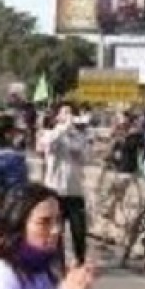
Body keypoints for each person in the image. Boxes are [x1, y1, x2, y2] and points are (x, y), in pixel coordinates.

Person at [38, 107, 92, 264]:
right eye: (64, 112)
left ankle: (80, 260)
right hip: (55, 190)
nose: (68, 116)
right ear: (58, 116)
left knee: (79, 230)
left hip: (75, 191)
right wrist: (63, 127)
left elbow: (86, 157)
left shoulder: (78, 136)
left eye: (70, 112)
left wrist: (79, 147)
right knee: (56, 231)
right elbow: (46, 144)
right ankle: (56, 262)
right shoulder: (51, 133)